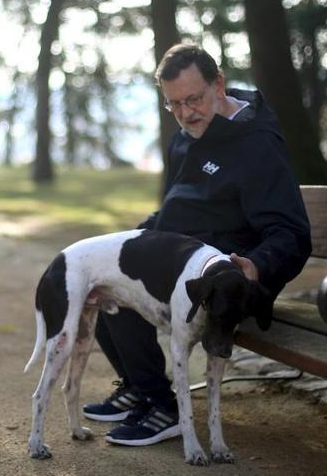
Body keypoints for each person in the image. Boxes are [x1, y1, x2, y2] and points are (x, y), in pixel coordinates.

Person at [83, 43, 312, 447]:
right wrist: (130, 240)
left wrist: (255, 266)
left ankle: (162, 407)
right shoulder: (184, 138)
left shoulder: (257, 144)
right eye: (175, 104)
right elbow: (173, 209)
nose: (187, 113)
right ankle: (140, 387)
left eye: (195, 98)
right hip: (179, 260)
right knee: (104, 274)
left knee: (127, 291)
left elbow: (292, 234)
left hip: (227, 278)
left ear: (218, 84)